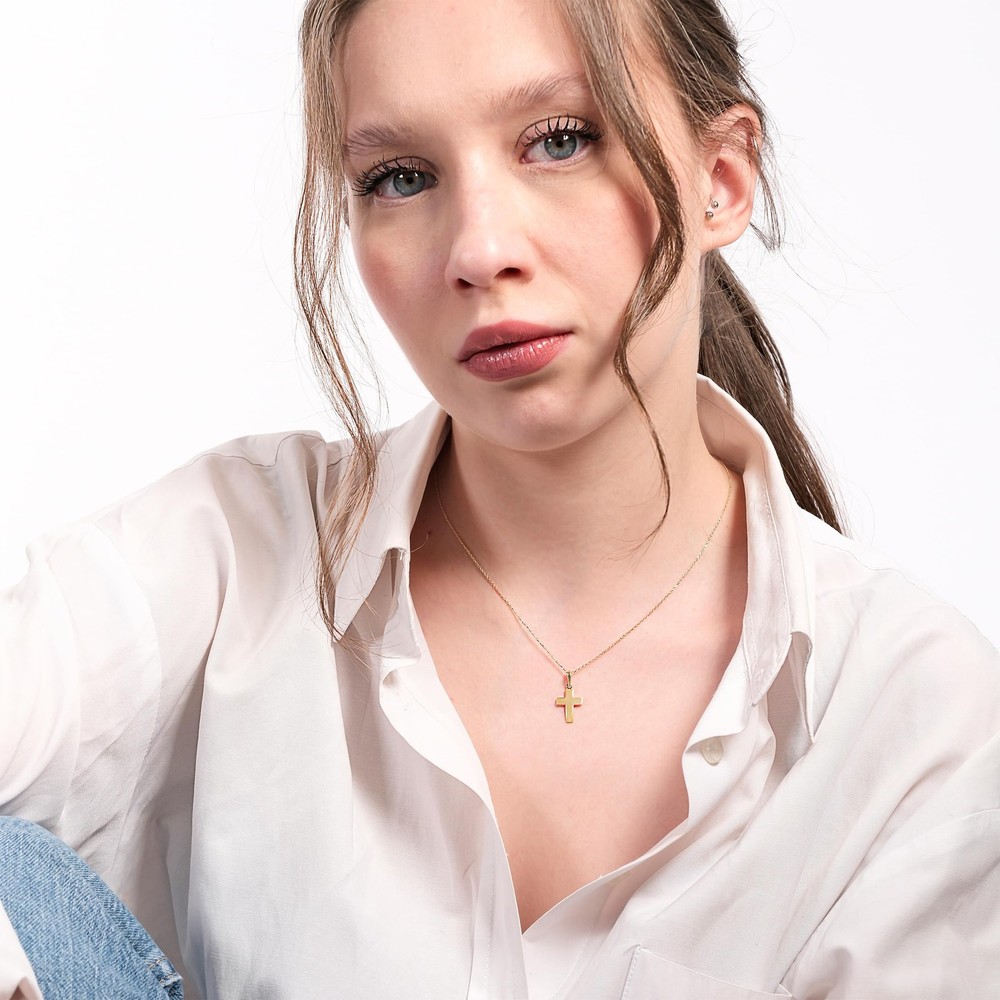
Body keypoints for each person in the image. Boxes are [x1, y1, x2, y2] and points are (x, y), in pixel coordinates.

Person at [1, 0, 997, 997]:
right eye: (401, 178)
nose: (477, 250)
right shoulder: (234, 553)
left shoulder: (916, 714)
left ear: (722, 180)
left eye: (559, 141)